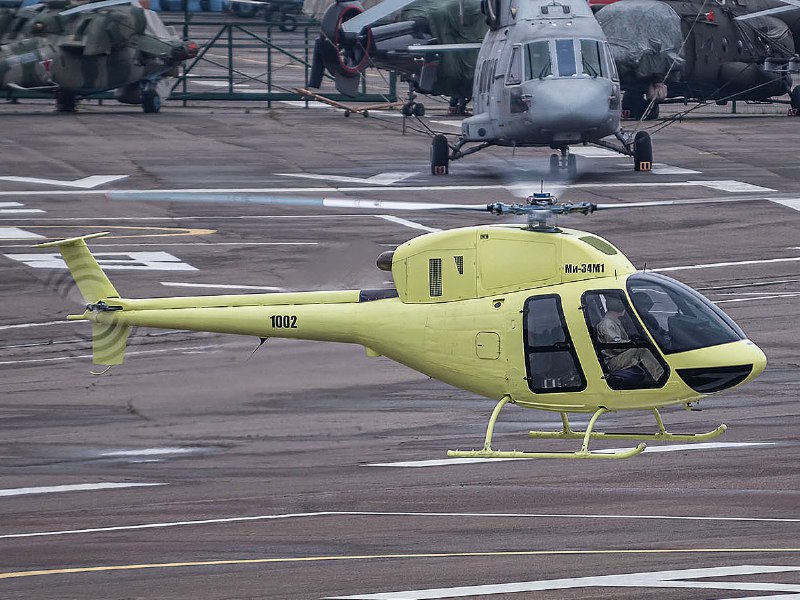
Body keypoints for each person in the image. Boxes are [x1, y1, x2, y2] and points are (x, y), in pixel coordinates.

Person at [597, 295, 664, 385]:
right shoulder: (607, 324)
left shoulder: (613, 321)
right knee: (642, 350)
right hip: (612, 362)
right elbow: (616, 347)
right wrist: (631, 343)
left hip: (617, 357)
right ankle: (660, 377)